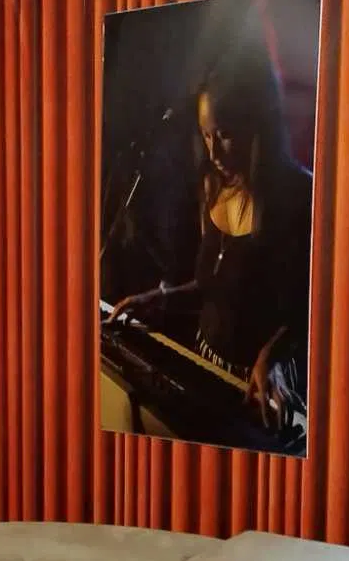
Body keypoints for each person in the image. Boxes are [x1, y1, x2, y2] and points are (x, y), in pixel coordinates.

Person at [108, 57, 313, 433]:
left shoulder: (298, 196)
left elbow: (311, 306)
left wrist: (274, 357)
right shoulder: (211, 185)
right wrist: (160, 297)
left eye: (225, 134)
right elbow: (214, 285)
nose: (214, 153)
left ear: (257, 126)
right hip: (207, 363)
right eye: (206, 135)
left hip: (260, 382)